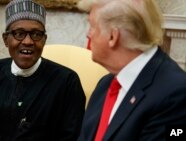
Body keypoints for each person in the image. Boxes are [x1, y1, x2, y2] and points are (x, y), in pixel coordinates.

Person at [0, 0, 86, 140]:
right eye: (19, 33)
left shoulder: (67, 82)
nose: (28, 41)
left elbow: (74, 137)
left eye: (36, 34)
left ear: (44, 39)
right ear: (6, 39)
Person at [77, 0, 186, 141]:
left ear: (112, 36)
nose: (88, 34)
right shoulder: (105, 85)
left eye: (92, 26)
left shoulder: (176, 93)